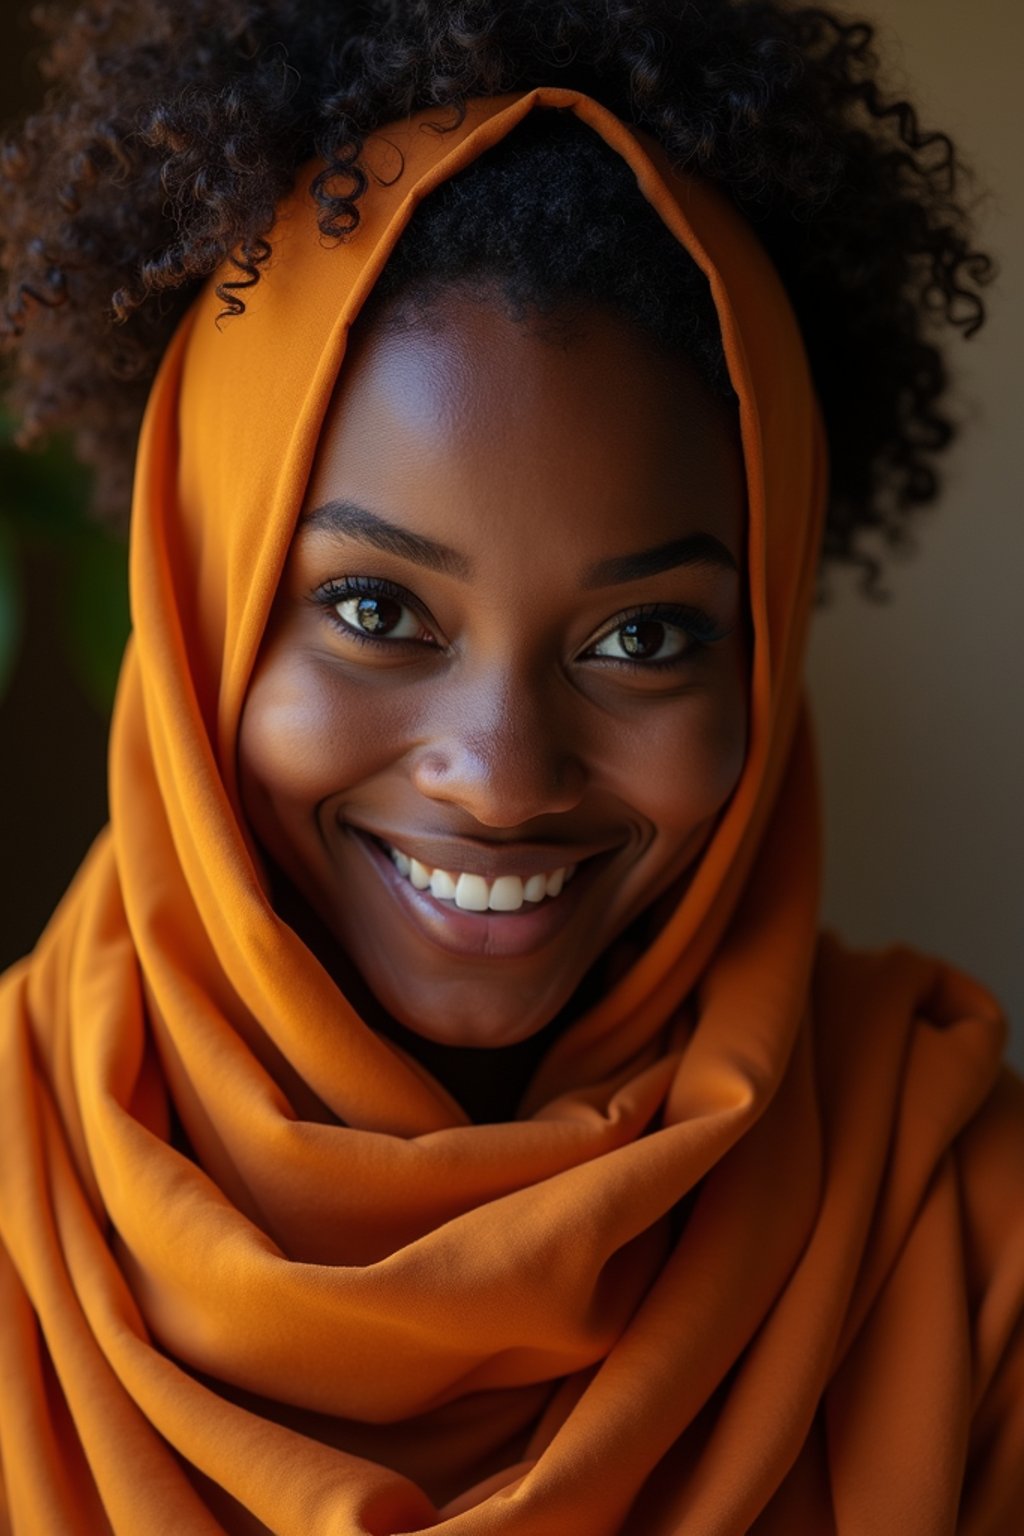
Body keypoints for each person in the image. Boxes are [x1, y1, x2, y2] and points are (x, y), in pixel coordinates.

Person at [0, 4, 1020, 1533]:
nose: (499, 775)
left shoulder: (961, 1233)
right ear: (198, 600)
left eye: (647, 638)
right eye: (373, 610)